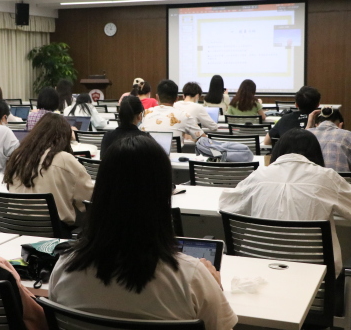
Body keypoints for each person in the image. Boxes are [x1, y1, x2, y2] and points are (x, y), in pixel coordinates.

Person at [50, 135, 237, 329]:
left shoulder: (64, 267)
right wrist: (215, 287)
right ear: (163, 195)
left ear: (100, 191)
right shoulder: (192, 278)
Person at [219, 128, 351, 275]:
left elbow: (226, 204)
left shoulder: (259, 175)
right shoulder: (326, 177)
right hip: (313, 275)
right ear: (316, 153)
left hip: (256, 270)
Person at [4, 113, 93, 226]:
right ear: (65, 136)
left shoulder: (18, 156)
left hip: (14, 228)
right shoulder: (65, 160)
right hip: (52, 231)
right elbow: (89, 199)